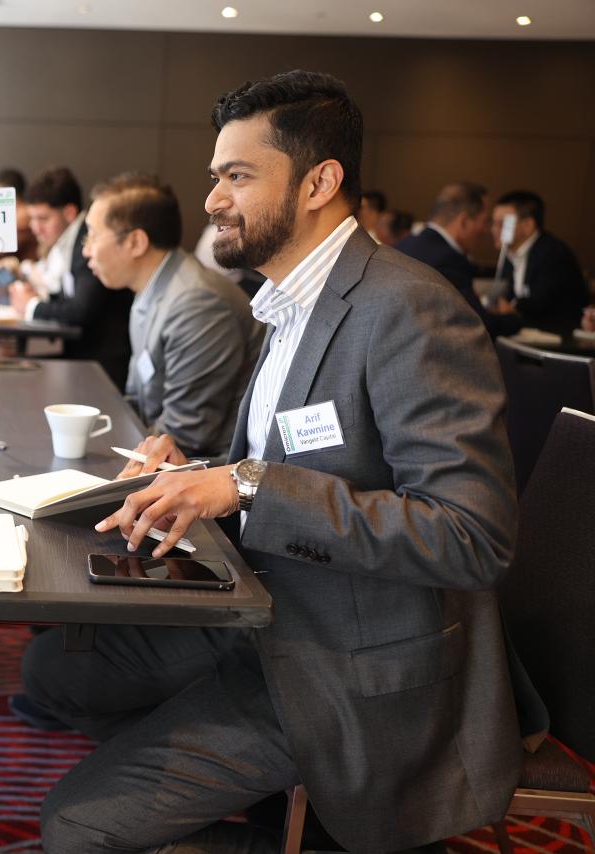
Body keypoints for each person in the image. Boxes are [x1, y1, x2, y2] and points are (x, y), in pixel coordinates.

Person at [29, 70, 531, 853]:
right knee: (59, 671)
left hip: (342, 662)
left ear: (319, 183)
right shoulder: (292, 301)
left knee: (74, 825)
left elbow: (471, 536)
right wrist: (195, 472)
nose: (211, 200)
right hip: (259, 608)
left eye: (236, 176)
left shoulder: (408, 308)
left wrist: (244, 484)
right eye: (214, 177)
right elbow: (295, 458)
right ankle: (250, 800)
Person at [82, 173, 262, 460]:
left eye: (92, 235)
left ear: (136, 243)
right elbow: (135, 398)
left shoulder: (196, 303)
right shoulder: (150, 289)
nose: (86, 250)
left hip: (206, 474)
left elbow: (186, 435)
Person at [8, 166, 135, 387]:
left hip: (103, 364)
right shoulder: (67, 242)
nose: (35, 228)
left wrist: (32, 306)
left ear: (68, 213)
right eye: (32, 219)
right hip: (84, 354)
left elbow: (81, 309)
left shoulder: (85, 243)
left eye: (43, 219)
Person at [396, 182, 523, 338]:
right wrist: (513, 318)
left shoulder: (404, 244)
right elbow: (478, 326)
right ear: (463, 221)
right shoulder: (449, 260)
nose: (486, 230)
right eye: (484, 221)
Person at [492, 190, 589, 332]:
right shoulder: (508, 254)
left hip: (558, 335)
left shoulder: (553, 253)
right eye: (493, 223)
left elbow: (540, 304)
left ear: (528, 225)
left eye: (502, 223)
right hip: (526, 332)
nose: (493, 229)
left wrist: (511, 307)